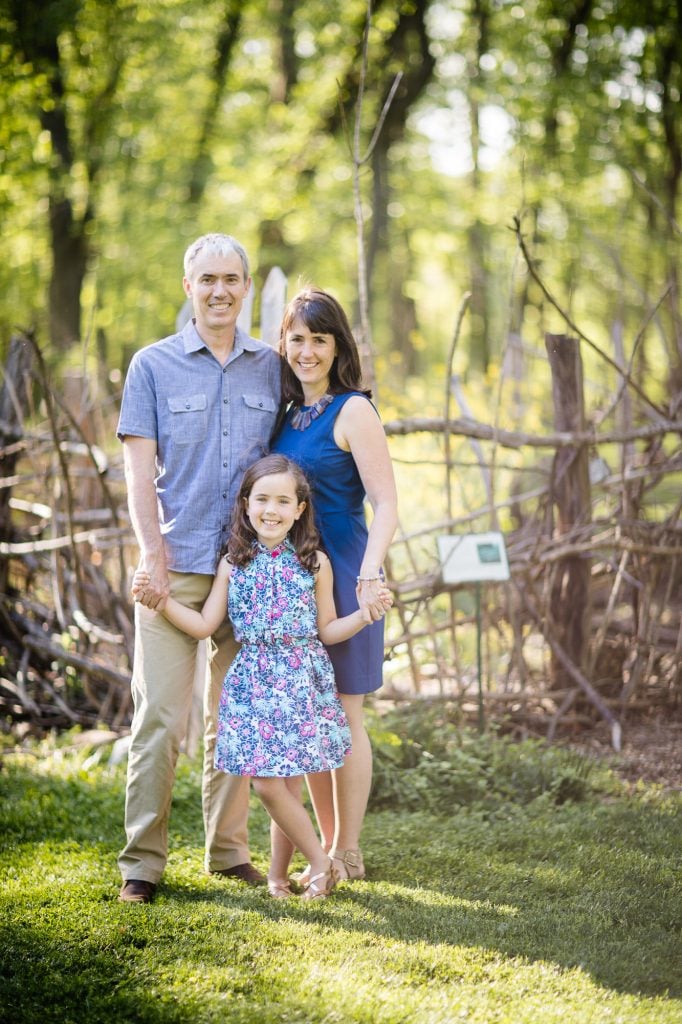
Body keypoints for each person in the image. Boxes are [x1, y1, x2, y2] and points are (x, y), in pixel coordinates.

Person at [132, 455, 392, 899]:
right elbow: (204, 626)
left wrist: (364, 616)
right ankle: (319, 862)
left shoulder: (316, 565)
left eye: (283, 501)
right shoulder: (233, 564)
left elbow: (327, 629)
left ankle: (278, 875)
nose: (271, 510)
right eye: (262, 499)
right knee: (268, 784)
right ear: (246, 504)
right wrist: (161, 602)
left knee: (287, 784)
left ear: (299, 509)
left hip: (300, 682)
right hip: (253, 684)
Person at [116, 232, 281, 903]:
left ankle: (228, 850)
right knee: (158, 715)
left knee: (232, 716)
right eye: (207, 279)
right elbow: (136, 472)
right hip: (175, 567)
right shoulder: (151, 367)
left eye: (231, 279)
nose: (219, 291)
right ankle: (142, 865)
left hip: (246, 568)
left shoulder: (270, 368)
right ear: (188, 287)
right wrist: (151, 557)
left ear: (244, 288)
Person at [270, 287, 398, 883]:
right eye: (297, 338)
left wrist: (371, 572)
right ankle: (327, 849)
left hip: (345, 570)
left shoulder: (354, 410)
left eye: (319, 339)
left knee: (345, 713)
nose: (307, 351)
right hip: (296, 578)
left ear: (337, 344)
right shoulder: (287, 413)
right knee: (311, 714)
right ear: (284, 344)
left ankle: (348, 851)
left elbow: (387, 504)